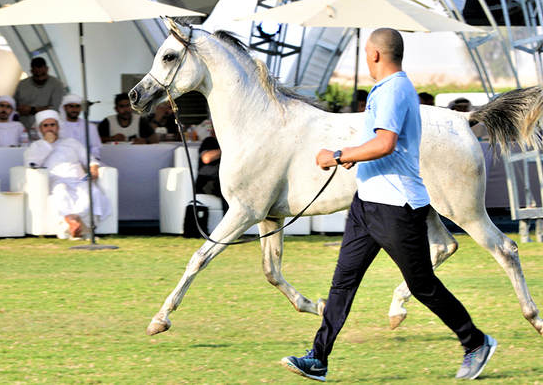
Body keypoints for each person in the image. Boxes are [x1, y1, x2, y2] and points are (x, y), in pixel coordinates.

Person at [281, 28, 496, 382]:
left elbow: (386, 144)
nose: (367, 57)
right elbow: (378, 145)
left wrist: (338, 155)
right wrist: (356, 159)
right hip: (367, 203)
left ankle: (476, 343)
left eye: (367, 52)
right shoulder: (385, 90)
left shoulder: (395, 89)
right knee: (342, 283)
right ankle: (318, 358)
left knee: (422, 284)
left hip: (396, 206)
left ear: (376, 55)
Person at [24, 110, 111, 240]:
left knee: (93, 192)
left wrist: (93, 167)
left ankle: (72, 219)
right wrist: (47, 144)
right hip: (56, 181)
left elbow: (89, 158)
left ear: (58, 127)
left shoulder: (71, 142)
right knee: (61, 192)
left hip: (79, 180)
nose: (50, 128)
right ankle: (74, 223)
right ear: (40, 129)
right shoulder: (36, 146)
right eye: (45, 126)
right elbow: (31, 163)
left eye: (52, 125)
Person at [13, 57, 67, 133]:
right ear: (31, 72)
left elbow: (55, 109)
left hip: (46, 130)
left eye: (43, 74)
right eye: (37, 76)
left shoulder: (57, 85)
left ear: (47, 69)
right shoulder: (22, 84)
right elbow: (14, 103)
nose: (41, 78)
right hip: (23, 128)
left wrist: (31, 110)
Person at [60, 94, 102, 160]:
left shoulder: (90, 127)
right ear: (64, 108)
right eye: (71, 106)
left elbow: (95, 148)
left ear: (81, 108)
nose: (74, 109)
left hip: (88, 163)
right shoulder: (58, 127)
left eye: (77, 106)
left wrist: (91, 163)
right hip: (63, 163)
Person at [195, 126, 228, 214]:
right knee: (228, 189)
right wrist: (227, 149)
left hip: (224, 179)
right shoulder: (210, 141)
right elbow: (207, 158)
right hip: (208, 182)